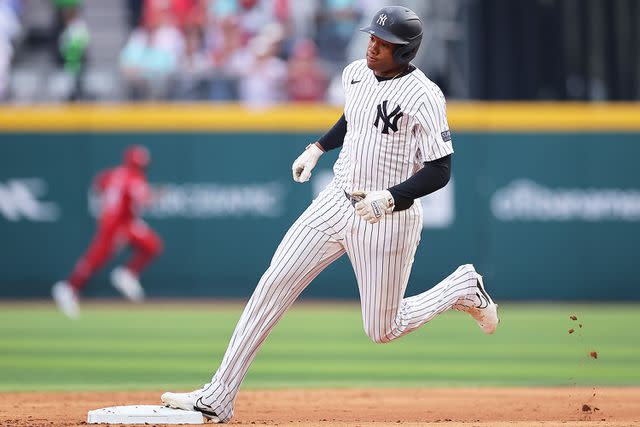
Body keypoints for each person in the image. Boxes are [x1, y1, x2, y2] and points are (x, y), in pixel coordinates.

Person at [161, 6, 499, 423]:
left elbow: (440, 170)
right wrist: (317, 148)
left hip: (387, 220)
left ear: (406, 51)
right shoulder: (355, 73)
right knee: (274, 283)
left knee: (383, 329)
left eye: (384, 42)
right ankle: (219, 395)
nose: (372, 45)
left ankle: (463, 286)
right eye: (372, 37)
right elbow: (353, 118)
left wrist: (391, 198)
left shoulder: (425, 96)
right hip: (335, 200)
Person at [52, 145, 163, 319]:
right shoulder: (134, 178)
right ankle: (68, 288)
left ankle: (127, 274)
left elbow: (98, 184)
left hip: (123, 222)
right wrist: (158, 195)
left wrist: (102, 209)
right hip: (117, 225)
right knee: (96, 258)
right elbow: (144, 199)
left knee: (152, 245)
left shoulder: (114, 174)